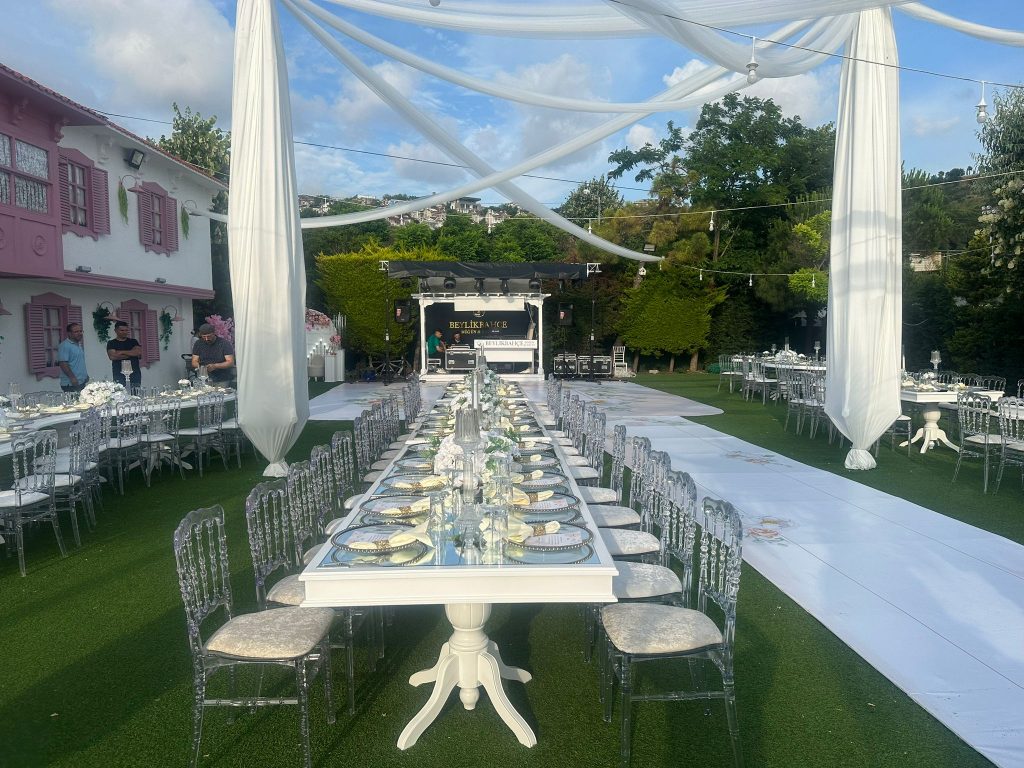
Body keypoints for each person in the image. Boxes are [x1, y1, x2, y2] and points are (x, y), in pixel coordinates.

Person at [106, 321, 142, 389]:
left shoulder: (133, 341)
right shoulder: (111, 343)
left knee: (136, 394)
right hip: (119, 374)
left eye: (126, 330)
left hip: (134, 374)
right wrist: (131, 354)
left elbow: (138, 352)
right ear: (115, 331)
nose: (124, 332)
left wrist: (120, 352)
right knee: (120, 394)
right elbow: (112, 356)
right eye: (122, 330)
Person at [57, 322, 89, 393]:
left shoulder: (78, 345)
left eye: (80, 331)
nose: (79, 333)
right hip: (71, 383)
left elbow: (78, 362)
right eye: (76, 332)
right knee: (75, 400)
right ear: (69, 333)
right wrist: (72, 378)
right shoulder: (65, 345)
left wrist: (85, 375)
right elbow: (63, 364)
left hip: (81, 381)